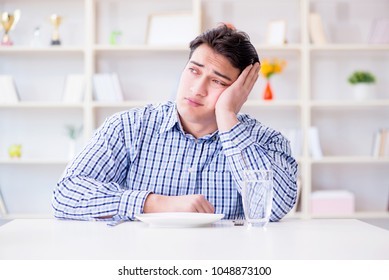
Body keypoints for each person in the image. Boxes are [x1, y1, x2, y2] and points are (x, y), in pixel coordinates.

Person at [52, 24, 298, 222]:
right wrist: (155, 203)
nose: (197, 89)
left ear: (240, 90)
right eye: (194, 71)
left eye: (217, 82)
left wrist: (227, 116)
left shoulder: (267, 142)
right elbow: (66, 195)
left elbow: (275, 208)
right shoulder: (129, 126)